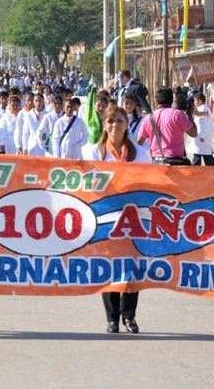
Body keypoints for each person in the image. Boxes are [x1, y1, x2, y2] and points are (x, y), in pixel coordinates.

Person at [81, 106, 150, 333]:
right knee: (107, 267)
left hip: (133, 218)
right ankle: (112, 317)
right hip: (104, 217)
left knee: (132, 267)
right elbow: (85, 185)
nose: (115, 125)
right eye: (110, 121)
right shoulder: (93, 153)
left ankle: (129, 316)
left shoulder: (140, 153)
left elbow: (150, 181)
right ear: (104, 125)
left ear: (126, 124)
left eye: (120, 121)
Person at [136, 88, 197, 165]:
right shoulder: (177, 115)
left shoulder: (148, 118)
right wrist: (190, 115)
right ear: (171, 101)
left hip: (157, 162)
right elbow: (194, 133)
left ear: (156, 101)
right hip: (176, 162)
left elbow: (138, 143)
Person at [190, 93, 214, 166]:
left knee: (199, 155)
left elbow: (203, 124)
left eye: (195, 101)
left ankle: (196, 172)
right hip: (202, 136)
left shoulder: (203, 108)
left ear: (200, 101)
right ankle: (211, 170)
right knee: (205, 155)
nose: (194, 103)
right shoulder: (203, 108)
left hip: (202, 137)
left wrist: (202, 136)